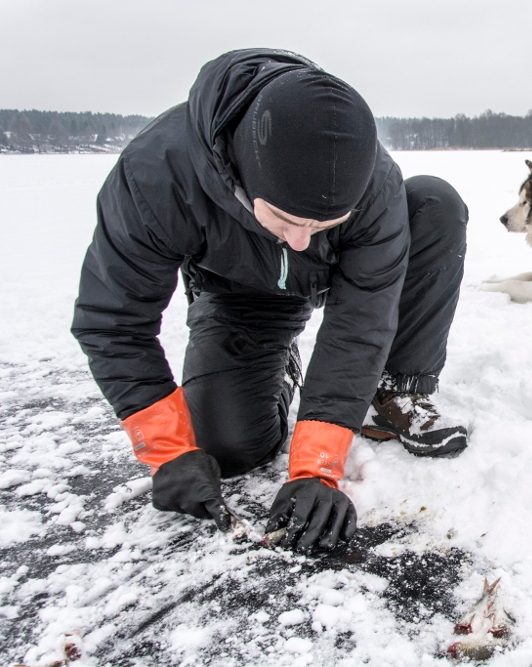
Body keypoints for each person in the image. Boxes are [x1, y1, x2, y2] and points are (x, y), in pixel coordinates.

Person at [71, 49, 469, 555]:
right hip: (239, 290)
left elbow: (361, 323)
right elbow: (114, 320)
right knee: (227, 449)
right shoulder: (156, 174)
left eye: (322, 224)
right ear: (242, 177)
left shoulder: (375, 186)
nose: (301, 241)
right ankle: (278, 366)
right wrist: (168, 450)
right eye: (286, 219)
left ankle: (396, 390)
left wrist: (316, 468)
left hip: (339, 272)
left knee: (434, 202)